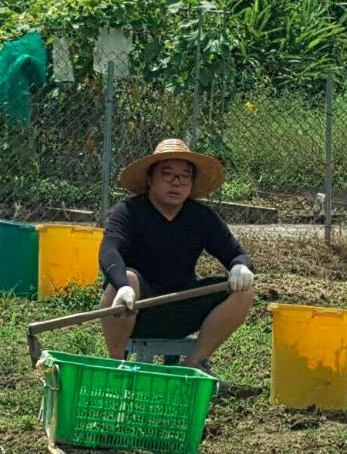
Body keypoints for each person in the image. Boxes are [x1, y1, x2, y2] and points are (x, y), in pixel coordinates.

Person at [98, 138, 255, 371]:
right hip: (134, 307)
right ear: (150, 178)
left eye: (184, 176)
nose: (176, 183)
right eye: (167, 174)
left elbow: (236, 254)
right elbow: (109, 251)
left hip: (181, 307)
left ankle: (193, 364)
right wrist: (122, 286)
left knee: (243, 291)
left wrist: (241, 266)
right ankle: (116, 364)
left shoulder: (202, 217)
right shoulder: (129, 212)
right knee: (129, 278)